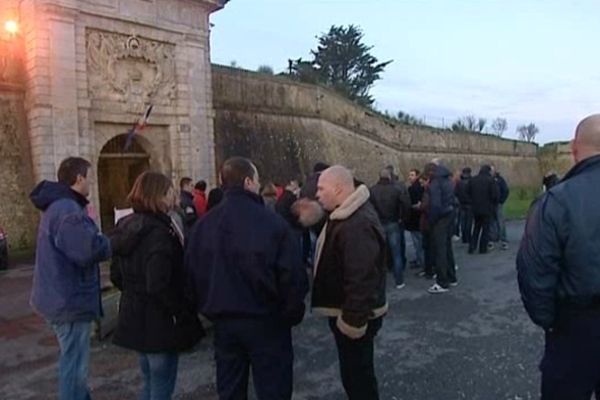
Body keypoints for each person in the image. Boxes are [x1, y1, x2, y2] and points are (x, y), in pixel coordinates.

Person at [185, 157, 309, 400]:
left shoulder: (203, 226)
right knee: (274, 390)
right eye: (258, 181)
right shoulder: (273, 224)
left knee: (230, 391)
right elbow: (293, 277)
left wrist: (204, 309)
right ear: (249, 182)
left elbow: (191, 273)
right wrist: (291, 314)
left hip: (224, 324)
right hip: (268, 322)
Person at [517, 114, 600, 399]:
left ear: (575, 148)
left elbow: (534, 271)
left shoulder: (556, 200)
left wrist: (551, 321)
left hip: (576, 326)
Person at [109, 172, 203, 400]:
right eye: (170, 191)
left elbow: (116, 275)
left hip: (134, 314)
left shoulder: (125, 224)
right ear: (159, 195)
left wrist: (133, 293)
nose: (174, 195)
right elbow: (158, 283)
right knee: (161, 386)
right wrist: (179, 312)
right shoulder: (160, 232)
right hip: (160, 322)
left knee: (150, 382)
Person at [29, 157, 112, 400]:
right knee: (75, 368)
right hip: (69, 300)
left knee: (72, 362)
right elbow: (86, 251)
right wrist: (108, 242)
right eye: (89, 177)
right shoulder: (67, 209)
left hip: (58, 296)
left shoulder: (58, 206)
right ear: (79, 179)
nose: (91, 184)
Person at [312, 165, 387, 399]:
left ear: (337, 188)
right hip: (349, 312)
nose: (317, 193)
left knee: (358, 377)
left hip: (354, 317)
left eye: (321, 188)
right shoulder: (346, 214)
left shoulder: (357, 223)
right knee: (355, 374)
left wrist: (352, 322)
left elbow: (362, 279)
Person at [370, 168, 411, 288]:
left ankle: (379, 282)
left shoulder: (372, 190)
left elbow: (369, 208)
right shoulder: (396, 189)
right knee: (396, 253)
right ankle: (399, 281)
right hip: (393, 222)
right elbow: (406, 205)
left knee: (379, 253)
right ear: (389, 177)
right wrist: (402, 218)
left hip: (378, 223)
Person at [422, 162, 457, 294]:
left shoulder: (435, 183)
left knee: (440, 250)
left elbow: (435, 205)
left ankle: (442, 281)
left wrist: (431, 220)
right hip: (449, 214)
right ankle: (451, 276)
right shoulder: (447, 180)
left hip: (440, 218)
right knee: (447, 248)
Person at [467, 165, 499, 254]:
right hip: (487, 208)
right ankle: (483, 248)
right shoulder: (491, 180)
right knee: (485, 229)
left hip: (475, 208)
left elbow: (467, 192)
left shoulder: (473, 180)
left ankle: (472, 247)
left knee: (476, 228)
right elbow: (495, 195)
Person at [406, 168, 425, 270]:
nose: (410, 177)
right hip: (419, 219)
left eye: (412, 175)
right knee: (419, 243)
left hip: (414, 219)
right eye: (410, 175)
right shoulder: (421, 188)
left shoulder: (412, 189)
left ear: (417, 176)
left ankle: (421, 263)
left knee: (418, 243)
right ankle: (420, 260)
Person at [490, 169, 510, 250]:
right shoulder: (493, 180)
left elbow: (506, 190)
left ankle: (503, 239)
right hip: (492, 203)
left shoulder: (500, 180)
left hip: (497, 203)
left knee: (499, 221)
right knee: (493, 221)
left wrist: (501, 200)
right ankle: (494, 238)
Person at [455, 167, 473, 245]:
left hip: (461, 203)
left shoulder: (459, 182)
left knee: (462, 221)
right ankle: (468, 237)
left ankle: (464, 238)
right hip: (470, 204)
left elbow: (455, 192)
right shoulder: (471, 182)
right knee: (468, 221)